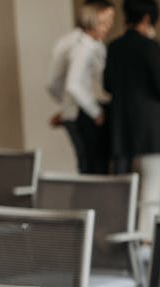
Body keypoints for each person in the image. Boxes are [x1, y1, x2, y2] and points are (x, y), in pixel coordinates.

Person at [104, 0, 160, 237]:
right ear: (147, 19)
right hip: (151, 129)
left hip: (122, 129)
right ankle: (146, 243)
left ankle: (124, 242)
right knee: (151, 192)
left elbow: (107, 85)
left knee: (125, 193)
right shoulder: (151, 47)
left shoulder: (114, 47)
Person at [46, 0, 114, 174]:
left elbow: (53, 84)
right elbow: (73, 84)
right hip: (88, 114)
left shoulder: (71, 41)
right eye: (103, 22)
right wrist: (94, 111)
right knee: (94, 168)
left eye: (110, 21)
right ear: (91, 19)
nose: (109, 26)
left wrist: (66, 106)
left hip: (76, 111)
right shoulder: (84, 46)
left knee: (86, 164)